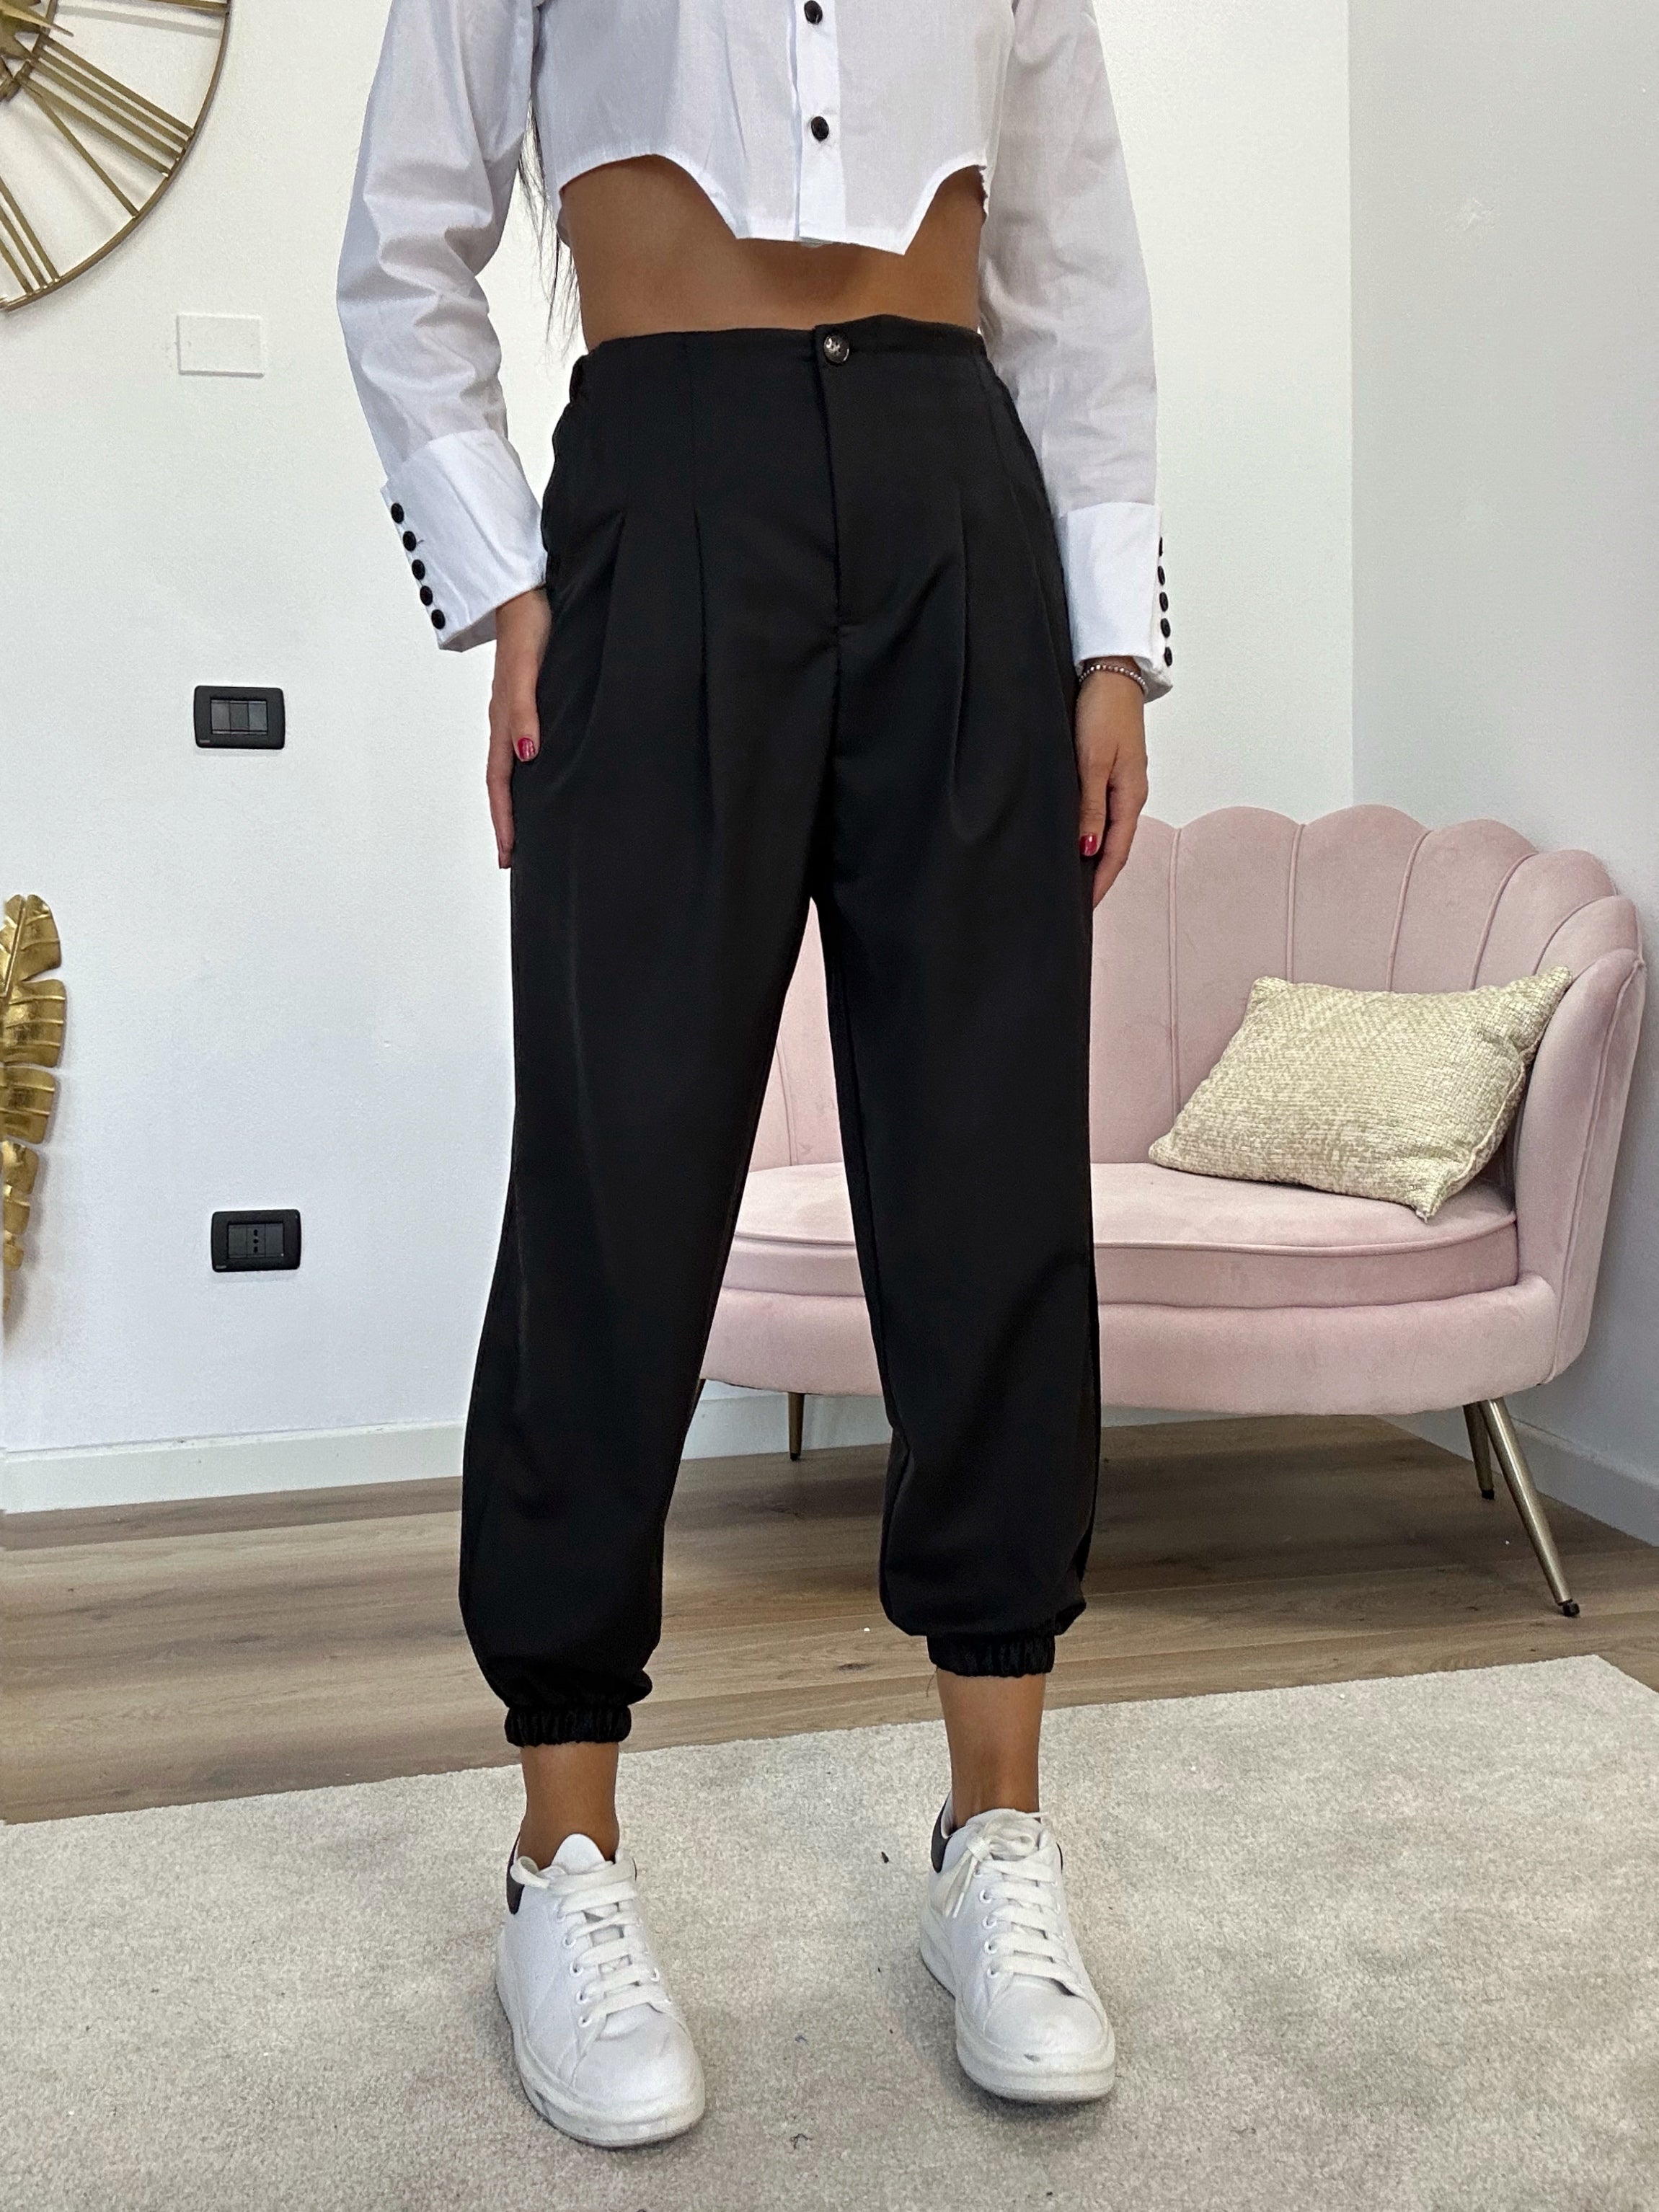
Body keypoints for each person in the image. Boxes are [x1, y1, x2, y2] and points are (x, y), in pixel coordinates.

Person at [337, 0, 1169, 2149]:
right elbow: (406, 235)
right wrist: (502, 579)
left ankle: (995, 1838)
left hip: (957, 499)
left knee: (989, 1178)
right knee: (616, 1176)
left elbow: (1073, 264)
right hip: (662, 486)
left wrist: (1109, 635)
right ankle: (563, 1851)